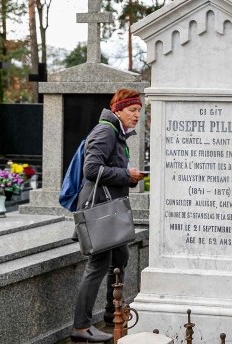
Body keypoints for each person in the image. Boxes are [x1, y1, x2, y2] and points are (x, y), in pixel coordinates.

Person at [71, 89, 145, 343]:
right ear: (118, 110)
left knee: (120, 258)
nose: (137, 115)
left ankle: (113, 312)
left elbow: (110, 169)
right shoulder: (105, 131)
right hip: (100, 212)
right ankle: (81, 326)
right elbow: (91, 169)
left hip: (111, 209)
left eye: (139, 111)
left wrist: (131, 177)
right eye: (132, 110)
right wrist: (127, 175)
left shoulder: (118, 134)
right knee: (98, 265)